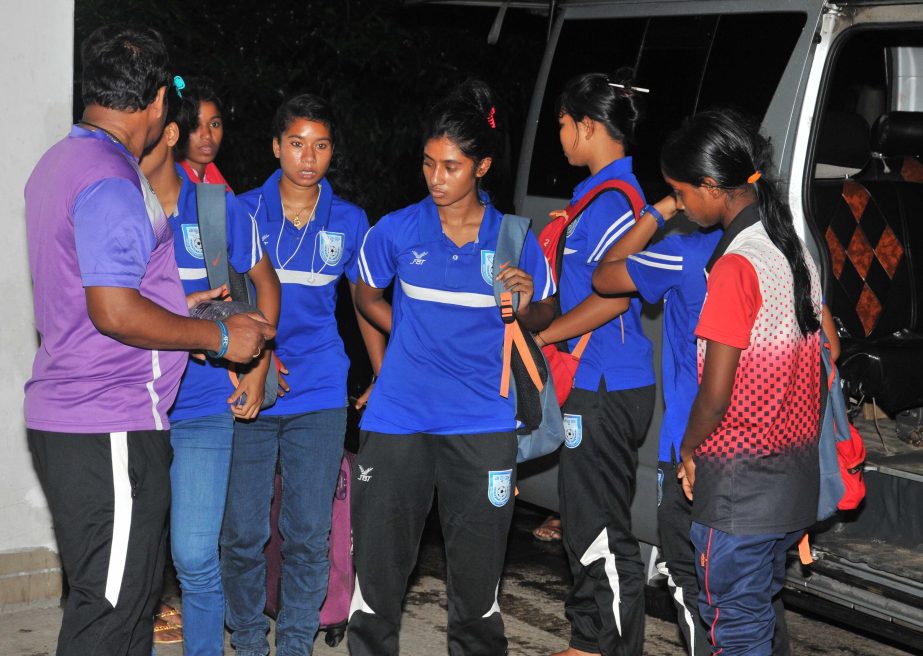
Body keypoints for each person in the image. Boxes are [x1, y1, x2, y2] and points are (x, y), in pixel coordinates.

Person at [23, 24, 274, 656]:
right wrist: (215, 336)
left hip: (80, 416)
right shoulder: (112, 180)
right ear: (160, 102)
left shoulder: (60, 162)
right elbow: (112, 310)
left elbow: (93, 295)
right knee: (108, 618)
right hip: (108, 424)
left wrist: (179, 307)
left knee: (127, 610)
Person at [348, 80, 555, 655]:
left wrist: (528, 296)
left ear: (482, 166)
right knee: (377, 586)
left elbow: (543, 315)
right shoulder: (396, 228)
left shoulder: (514, 238)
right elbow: (365, 294)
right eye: (428, 164)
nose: (436, 178)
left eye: (452, 166)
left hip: (483, 426)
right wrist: (398, 345)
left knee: (478, 593)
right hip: (398, 422)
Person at [220, 93, 385, 656]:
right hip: (250, 388)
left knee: (308, 535)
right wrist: (251, 357)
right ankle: (246, 638)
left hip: (318, 391)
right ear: (275, 147)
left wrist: (383, 374)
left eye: (320, 145)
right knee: (243, 533)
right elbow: (219, 300)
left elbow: (365, 304)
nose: (307, 157)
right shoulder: (242, 211)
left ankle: (293, 645)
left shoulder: (350, 220)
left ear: (331, 151)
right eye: (296, 144)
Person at [665, 109, 822, 656]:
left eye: (682, 193)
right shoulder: (793, 248)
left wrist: (688, 447)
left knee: (733, 624)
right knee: (756, 613)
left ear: (713, 187)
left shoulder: (735, 266)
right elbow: (830, 348)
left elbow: (715, 392)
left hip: (739, 491)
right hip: (792, 483)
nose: (680, 206)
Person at [139, 79, 280, 655]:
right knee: (135, 566)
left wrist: (256, 361)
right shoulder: (117, 209)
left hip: (200, 407)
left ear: (167, 133)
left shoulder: (220, 210)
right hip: (132, 408)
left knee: (196, 556)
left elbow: (265, 289)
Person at [529, 70, 654, 656]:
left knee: (599, 525)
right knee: (586, 517)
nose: (558, 135)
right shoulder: (599, 198)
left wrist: (549, 333)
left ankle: (605, 645)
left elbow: (615, 294)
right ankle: (592, 639)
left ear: (587, 126)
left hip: (606, 382)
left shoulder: (613, 204)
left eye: (561, 124)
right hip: (598, 380)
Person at [592, 195, 719, 656]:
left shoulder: (684, 251)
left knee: (690, 581)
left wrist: (660, 210)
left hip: (691, 445)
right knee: (751, 591)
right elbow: (827, 340)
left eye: (681, 189)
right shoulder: (780, 246)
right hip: (763, 444)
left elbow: (606, 275)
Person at [176, 76, 231, 188]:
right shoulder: (168, 185)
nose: (207, 135)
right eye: (195, 125)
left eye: (214, 124)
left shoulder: (220, 187)